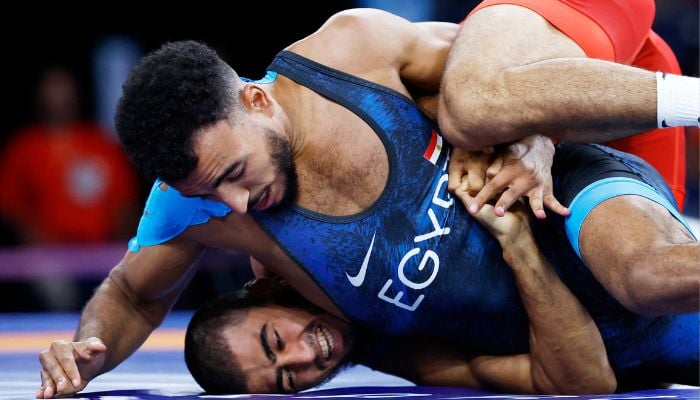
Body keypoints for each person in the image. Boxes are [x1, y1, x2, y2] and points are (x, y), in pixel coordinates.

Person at [36, 7, 699, 398]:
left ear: (257, 100)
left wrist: (537, 138)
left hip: (586, 126)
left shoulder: (349, 55)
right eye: (208, 194)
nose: (236, 203)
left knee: (477, 107)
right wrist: (84, 351)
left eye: (234, 171)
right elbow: (132, 294)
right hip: (580, 295)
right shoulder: (205, 210)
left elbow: (522, 63)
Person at [184, 203, 624, 394]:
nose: (302, 359)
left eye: (277, 341)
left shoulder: (300, 228)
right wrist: (520, 249)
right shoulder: (411, 357)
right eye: (285, 381)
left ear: (264, 290)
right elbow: (584, 384)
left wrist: (513, 145)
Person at [437, 0, 698, 217]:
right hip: (608, 62)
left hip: (600, 30)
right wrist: (533, 135)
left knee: (474, 106)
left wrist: (531, 134)